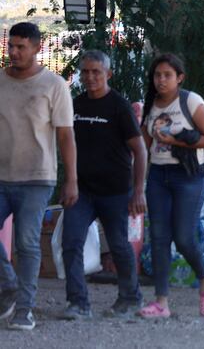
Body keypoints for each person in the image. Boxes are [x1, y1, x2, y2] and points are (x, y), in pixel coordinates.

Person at [0, 22, 77, 331]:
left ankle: (25, 309)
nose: (14, 52)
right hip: (2, 175)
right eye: (11, 45)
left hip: (37, 177)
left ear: (37, 47)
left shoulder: (53, 85)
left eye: (21, 46)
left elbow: (66, 136)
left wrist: (71, 179)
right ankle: (8, 284)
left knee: (27, 241)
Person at [61, 50, 146, 320]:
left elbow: (140, 150)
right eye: (85, 72)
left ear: (108, 74)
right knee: (71, 242)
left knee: (119, 245)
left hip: (116, 191)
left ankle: (130, 298)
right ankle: (78, 303)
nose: (90, 77)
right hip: (82, 190)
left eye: (96, 72)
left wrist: (138, 191)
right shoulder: (75, 104)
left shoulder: (119, 107)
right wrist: (69, 181)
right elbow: (66, 143)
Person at [138, 53, 204, 319]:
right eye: (157, 75)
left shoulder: (190, 101)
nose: (161, 80)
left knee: (184, 237)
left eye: (167, 75)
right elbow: (144, 145)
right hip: (158, 175)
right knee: (159, 237)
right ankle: (161, 302)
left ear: (179, 78)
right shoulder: (151, 104)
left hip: (188, 175)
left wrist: (176, 142)